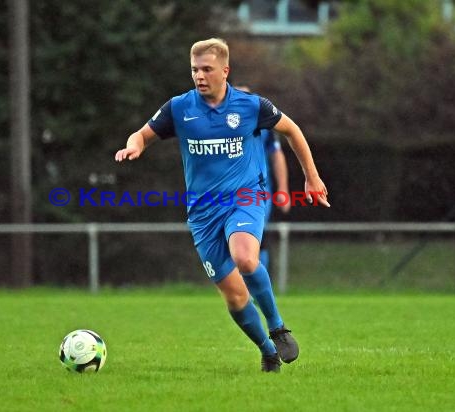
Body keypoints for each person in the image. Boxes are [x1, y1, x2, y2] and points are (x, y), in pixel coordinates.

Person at [115, 38, 330, 372]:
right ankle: (268, 349)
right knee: (234, 296)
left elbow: (293, 131)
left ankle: (277, 326)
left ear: (225, 71)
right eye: (194, 70)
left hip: (246, 198)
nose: (199, 76)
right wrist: (135, 146)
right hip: (202, 214)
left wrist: (312, 178)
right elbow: (141, 134)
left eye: (207, 69)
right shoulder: (179, 108)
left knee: (245, 258)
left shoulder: (251, 106)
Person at [235, 84, 291, 272]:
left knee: (256, 236)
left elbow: (277, 155)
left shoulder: (264, 124)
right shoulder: (221, 125)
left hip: (258, 192)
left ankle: (257, 285)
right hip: (227, 192)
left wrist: (283, 190)